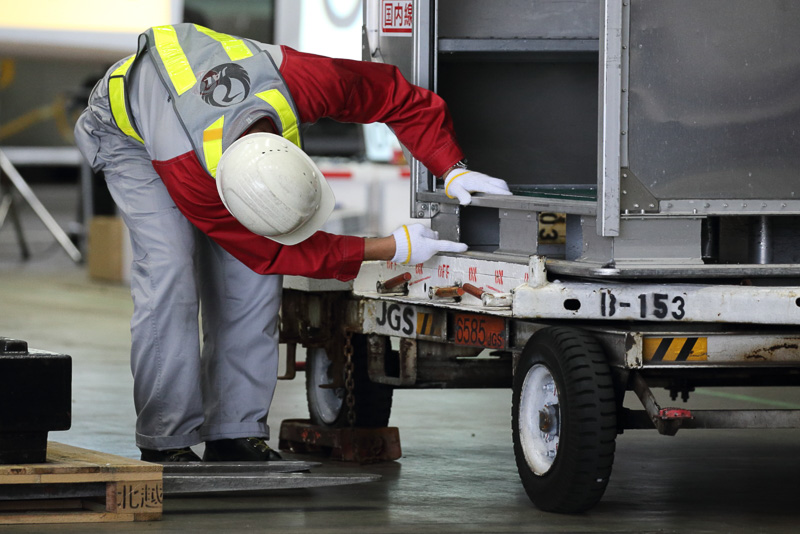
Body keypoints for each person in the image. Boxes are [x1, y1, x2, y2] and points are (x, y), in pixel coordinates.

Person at [74, 23, 511, 463]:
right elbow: (272, 252)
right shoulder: (192, 173)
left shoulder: (303, 81)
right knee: (170, 274)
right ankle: (165, 439)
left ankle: (234, 432)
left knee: (251, 285)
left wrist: (451, 166)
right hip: (129, 135)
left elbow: (393, 95)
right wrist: (387, 248)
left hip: (197, 119)